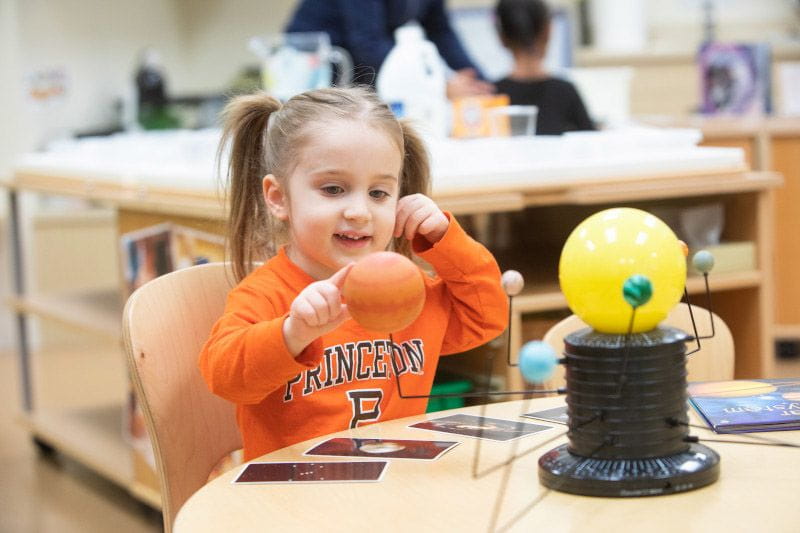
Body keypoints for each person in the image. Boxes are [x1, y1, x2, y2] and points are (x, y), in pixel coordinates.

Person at [199, 86, 508, 461]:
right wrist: (293, 333)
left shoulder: (405, 292)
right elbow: (225, 377)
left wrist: (446, 240)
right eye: (333, 189)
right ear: (278, 197)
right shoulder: (267, 294)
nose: (360, 211)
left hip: (393, 488)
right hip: (292, 500)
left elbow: (488, 317)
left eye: (379, 193)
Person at [284, 0, 493, 98]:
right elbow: (368, 44)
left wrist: (482, 83)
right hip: (315, 67)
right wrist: (438, 86)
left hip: (365, 63)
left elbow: (440, 31)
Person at [494, 0, 595, 135]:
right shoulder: (566, 92)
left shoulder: (489, 96)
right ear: (548, 31)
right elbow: (592, 143)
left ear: (501, 37)